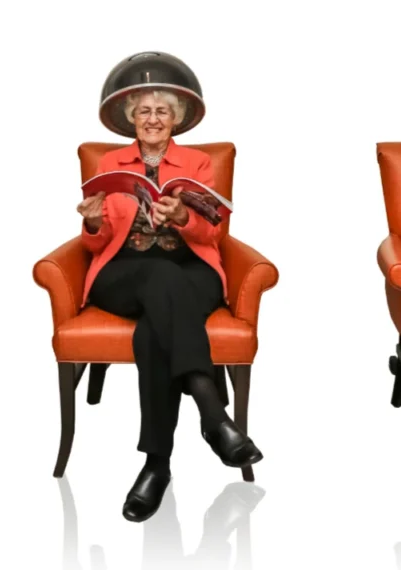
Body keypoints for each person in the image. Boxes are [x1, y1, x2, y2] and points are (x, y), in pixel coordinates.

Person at [77, 89, 263, 523]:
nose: (153, 119)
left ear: (176, 119)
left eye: (162, 111)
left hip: (189, 268)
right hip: (125, 271)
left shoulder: (198, 163)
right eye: (144, 111)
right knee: (160, 278)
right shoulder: (110, 164)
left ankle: (155, 465)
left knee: (152, 328)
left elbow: (214, 234)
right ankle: (214, 414)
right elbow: (98, 241)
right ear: (132, 119)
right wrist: (90, 220)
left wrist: (182, 218)